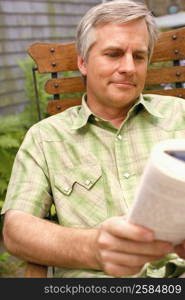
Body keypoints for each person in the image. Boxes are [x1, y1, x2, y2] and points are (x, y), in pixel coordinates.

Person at [2, 0, 185, 278]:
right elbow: (16, 231)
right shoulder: (46, 138)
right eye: (113, 54)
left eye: (138, 56)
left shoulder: (180, 114)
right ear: (83, 62)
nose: (128, 67)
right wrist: (93, 248)